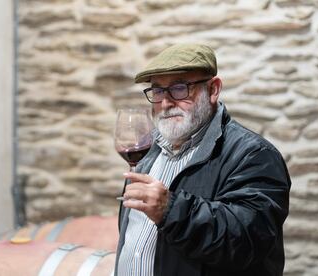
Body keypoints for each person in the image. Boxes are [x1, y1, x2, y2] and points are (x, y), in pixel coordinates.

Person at [114, 44, 291, 276]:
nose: (165, 103)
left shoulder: (254, 155)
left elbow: (247, 241)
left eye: (179, 88)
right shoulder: (149, 150)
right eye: (157, 91)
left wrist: (170, 209)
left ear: (213, 89)